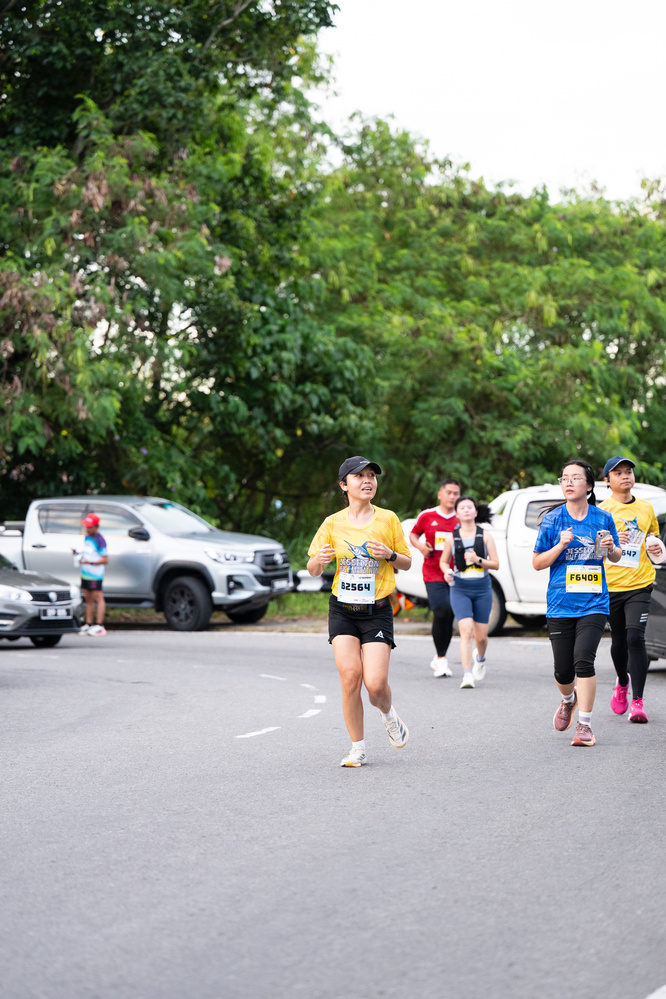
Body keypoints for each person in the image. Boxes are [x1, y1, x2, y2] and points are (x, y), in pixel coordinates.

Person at [307, 456, 412, 767]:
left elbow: (406, 562)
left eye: (372, 476)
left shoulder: (388, 519)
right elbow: (312, 568)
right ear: (344, 485)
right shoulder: (332, 523)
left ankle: (388, 714)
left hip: (377, 610)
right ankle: (358, 747)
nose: (368, 481)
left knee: (375, 685)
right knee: (351, 677)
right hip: (342, 609)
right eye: (360, 476)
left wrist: (389, 554)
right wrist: (319, 561)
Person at [533, 460, 621, 747]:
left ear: (589, 485)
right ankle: (568, 699)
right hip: (560, 603)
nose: (568, 483)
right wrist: (560, 545)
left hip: (594, 602)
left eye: (575, 478)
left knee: (584, 660)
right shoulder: (553, 520)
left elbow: (615, 556)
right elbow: (537, 563)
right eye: (564, 478)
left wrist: (612, 548)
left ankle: (585, 725)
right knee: (563, 670)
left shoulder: (603, 518)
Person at [600, 456, 663, 724]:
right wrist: (611, 542)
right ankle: (622, 682)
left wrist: (655, 546)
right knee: (619, 642)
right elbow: (594, 552)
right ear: (607, 481)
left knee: (636, 638)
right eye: (618, 473)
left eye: (628, 472)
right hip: (611, 585)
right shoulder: (601, 511)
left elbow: (653, 540)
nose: (625, 476)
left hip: (640, 583)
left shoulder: (646, 508)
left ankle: (638, 702)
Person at [439, 496, 499, 689]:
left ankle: (480, 658)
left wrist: (477, 559)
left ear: (475, 512)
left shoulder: (485, 535)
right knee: (466, 631)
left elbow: (496, 564)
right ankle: (467, 675)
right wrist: (447, 572)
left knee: (481, 637)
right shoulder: (452, 537)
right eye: (462, 508)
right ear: (456, 513)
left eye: (469, 507)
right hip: (460, 588)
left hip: (482, 588)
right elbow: (443, 561)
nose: (466, 510)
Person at [409, 479, 461, 677]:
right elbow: (413, 535)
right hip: (433, 572)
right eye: (449, 492)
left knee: (450, 614)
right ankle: (440, 659)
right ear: (440, 494)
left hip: (457, 574)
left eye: (456, 493)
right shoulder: (427, 515)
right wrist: (420, 547)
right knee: (441, 610)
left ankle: (441, 656)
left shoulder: (462, 518)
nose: (452, 497)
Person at [75, 513, 109, 636]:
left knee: (98, 598)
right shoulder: (87, 537)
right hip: (85, 573)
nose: (87, 529)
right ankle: (88, 624)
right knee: (88, 598)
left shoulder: (100, 540)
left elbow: (105, 559)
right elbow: (88, 553)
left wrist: (91, 562)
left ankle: (99, 625)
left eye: (90, 527)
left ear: (96, 527)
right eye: (87, 527)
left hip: (95, 575)